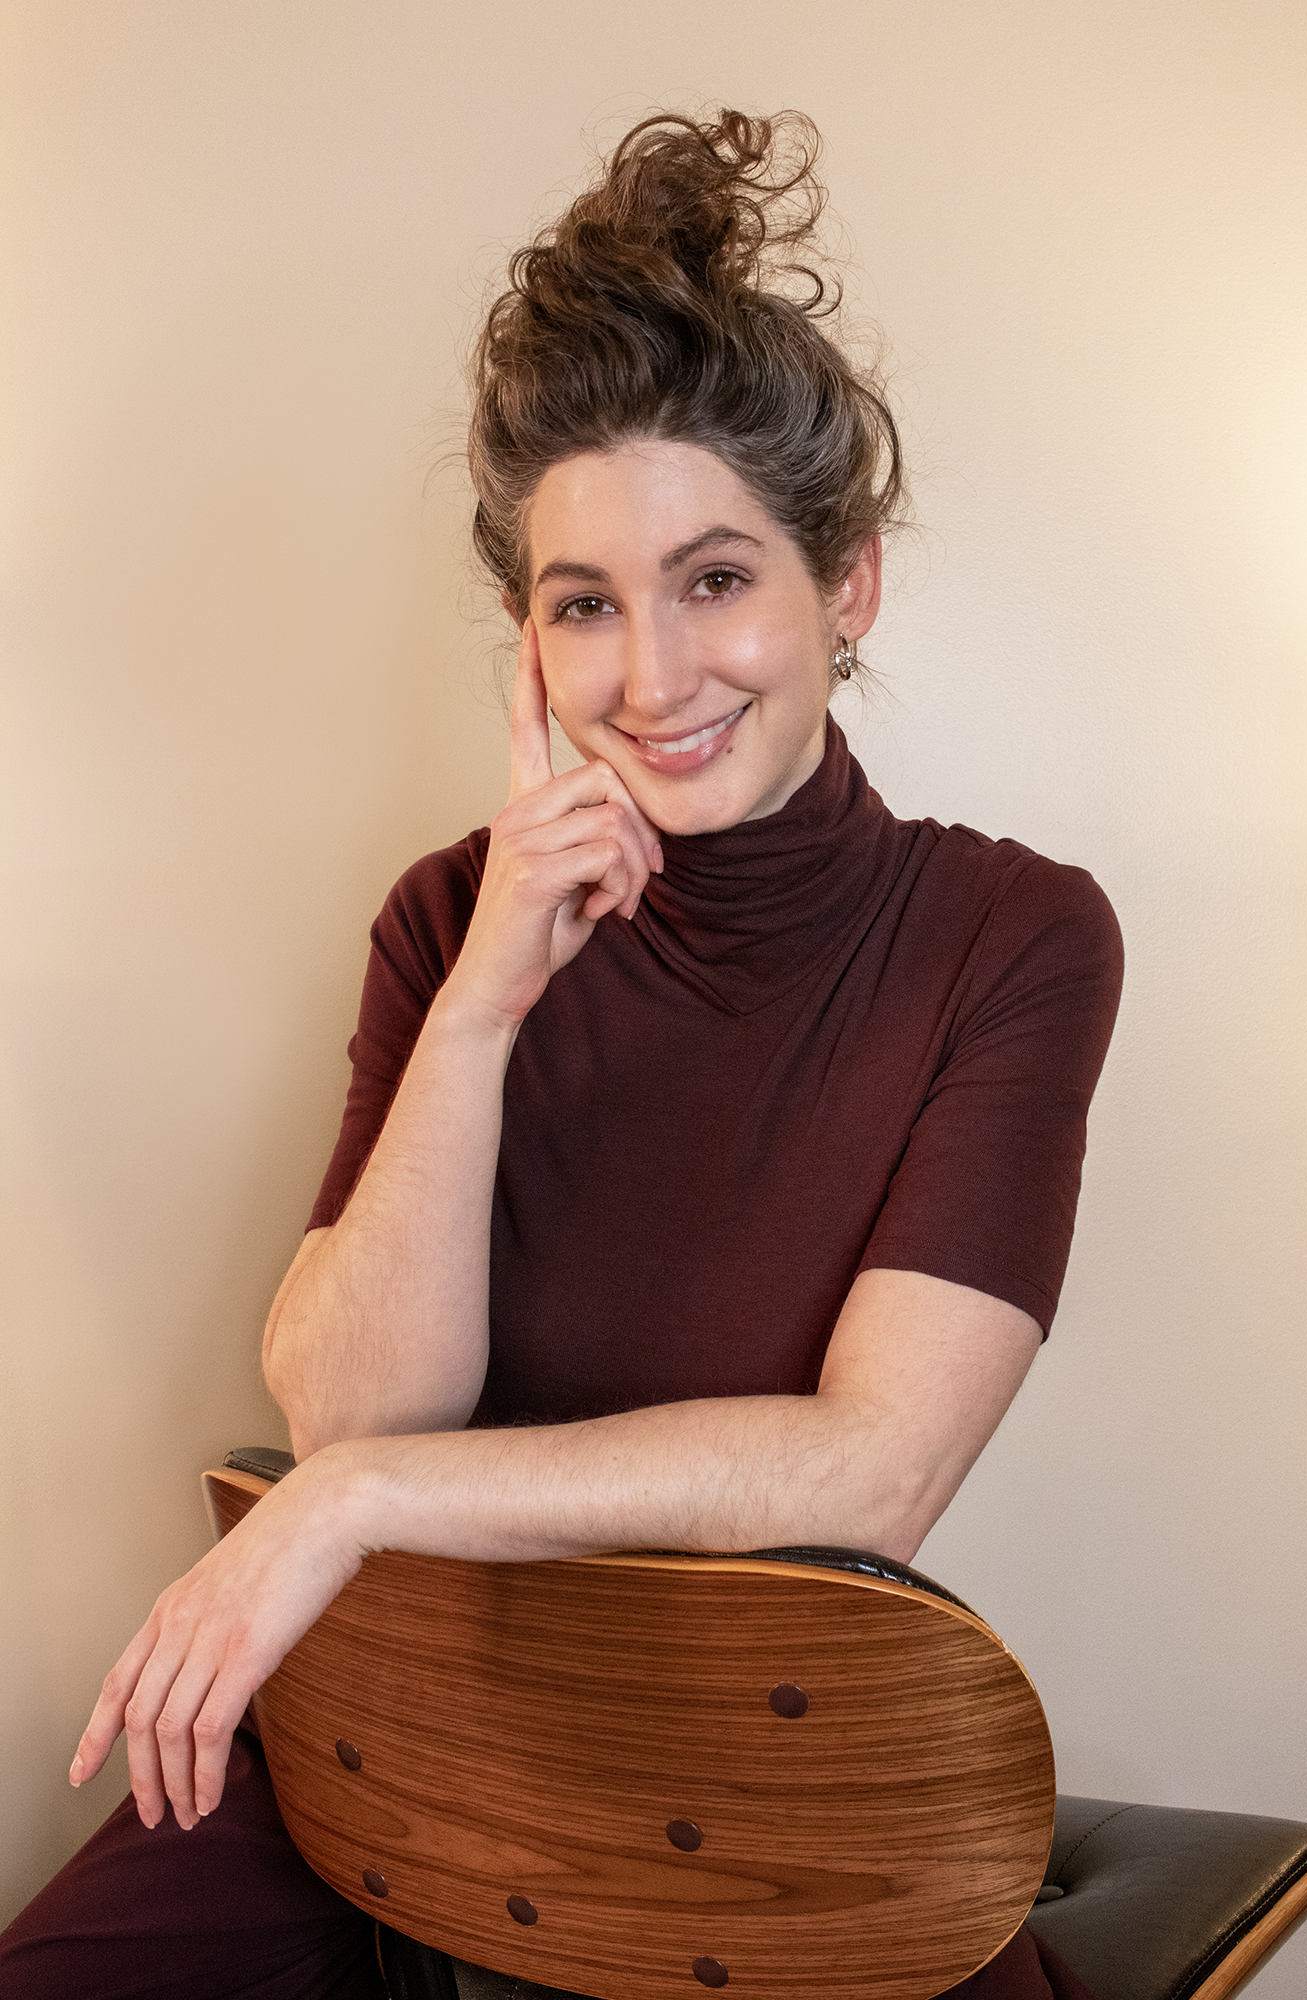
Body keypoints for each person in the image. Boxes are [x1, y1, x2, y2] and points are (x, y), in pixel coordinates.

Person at [1, 111, 1123, 1999]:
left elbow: (868, 1473)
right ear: (524, 637)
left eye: (716, 580)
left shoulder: (1010, 939)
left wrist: (349, 1510)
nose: (653, 680)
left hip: (755, 1774)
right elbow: (358, 1408)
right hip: (392, 1739)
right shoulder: (452, 917)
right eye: (584, 603)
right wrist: (491, 997)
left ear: (845, 587)